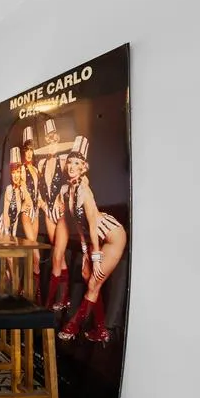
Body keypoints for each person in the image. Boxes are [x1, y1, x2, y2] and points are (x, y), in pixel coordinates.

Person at [55, 136, 126, 343]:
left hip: (113, 236)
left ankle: (73, 326)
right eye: (70, 162)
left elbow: (93, 226)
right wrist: (86, 253)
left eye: (77, 163)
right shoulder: (69, 190)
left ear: (83, 167)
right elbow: (80, 226)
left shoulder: (85, 191)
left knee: (94, 282)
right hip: (96, 239)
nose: (71, 166)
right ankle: (101, 330)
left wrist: (95, 258)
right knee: (90, 279)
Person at [37, 119, 70, 310]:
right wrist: (42, 204)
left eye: (53, 136)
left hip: (62, 213)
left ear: (57, 137)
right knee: (60, 256)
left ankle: (50, 302)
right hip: (48, 212)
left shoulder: (64, 159)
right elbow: (39, 189)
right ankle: (64, 298)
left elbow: (72, 180)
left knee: (57, 256)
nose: (51, 140)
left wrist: (62, 196)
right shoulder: (41, 163)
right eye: (48, 138)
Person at [0, 147, 33, 293]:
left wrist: (23, 185)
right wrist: (7, 233)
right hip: (3, 226)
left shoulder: (22, 191)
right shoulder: (9, 189)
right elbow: (6, 213)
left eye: (18, 172)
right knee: (11, 258)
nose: (15, 175)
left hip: (12, 228)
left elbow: (28, 203)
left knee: (9, 262)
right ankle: (17, 287)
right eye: (13, 172)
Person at [19, 126, 42, 303]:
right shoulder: (20, 169)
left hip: (36, 211)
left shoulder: (36, 169)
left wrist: (40, 203)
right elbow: (22, 188)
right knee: (35, 253)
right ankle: (34, 292)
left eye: (31, 150)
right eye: (26, 150)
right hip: (26, 211)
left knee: (32, 255)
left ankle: (29, 292)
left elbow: (39, 191)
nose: (29, 153)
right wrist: (28, 200)